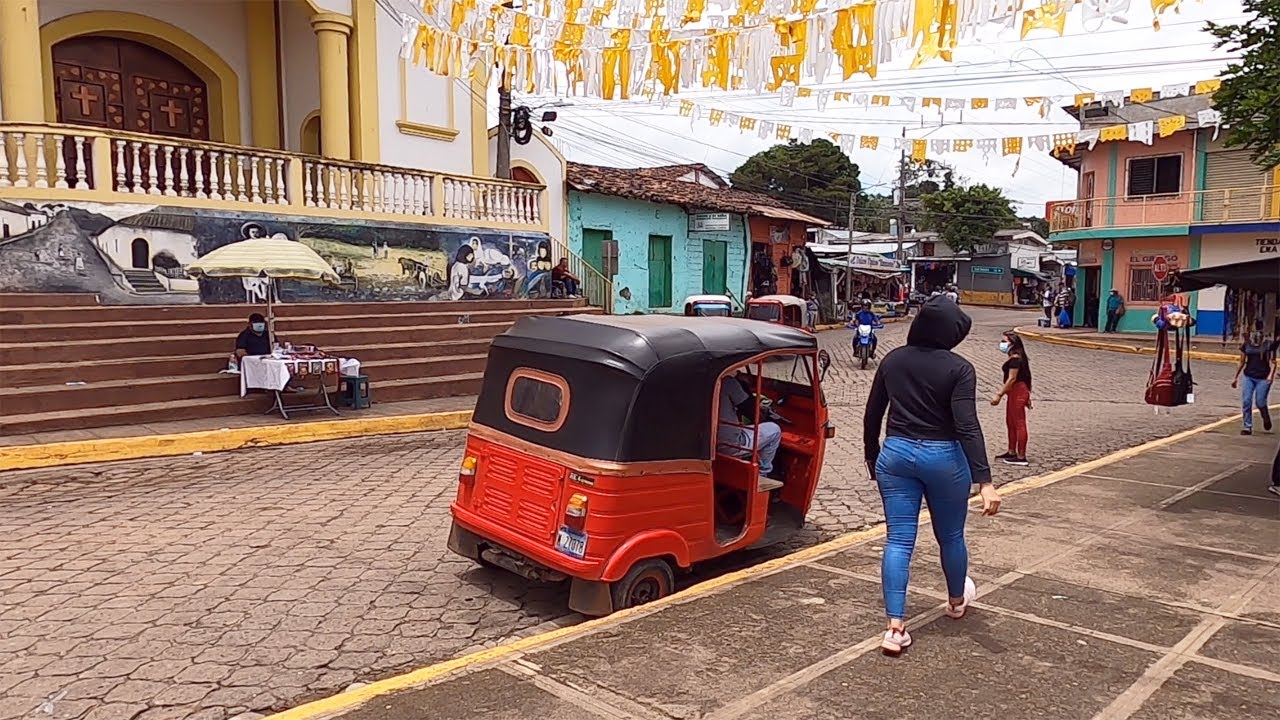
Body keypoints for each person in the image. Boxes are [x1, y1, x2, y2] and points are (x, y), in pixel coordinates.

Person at [863, 297, 1001, 656]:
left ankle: (894, 628)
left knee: (898, 541)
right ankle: (956, 602)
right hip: (944, 458)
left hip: (895, 455)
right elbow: (966, 425)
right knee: (951, 536)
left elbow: (872, 415)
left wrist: (872, 459)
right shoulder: (959, 368)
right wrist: (985, 481)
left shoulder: (893, 360)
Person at [717, 372, 783, 492]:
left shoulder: (700, 381)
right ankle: (762, 475)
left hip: (707, 442)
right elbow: (752, 412)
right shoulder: (727, 382)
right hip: (728, 445)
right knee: (774, 430)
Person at [992, 332, 1033, 466]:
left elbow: (1012, 379)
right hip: (1016, 392)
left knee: (1018, 423)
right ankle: (1011, 451)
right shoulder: (1016, 357)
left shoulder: (1015, 359)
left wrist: (999, 394)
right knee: (1010, 422)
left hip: (1017, 391)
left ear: (1012, 343)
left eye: (1004, 341)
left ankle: (1021, 456)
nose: (1002, 344)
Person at [1232, 330, 1276, 436]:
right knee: (1246, 401)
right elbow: (1241, 362)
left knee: (1260, 402)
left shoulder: (1268, 346)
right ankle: (1247, 426)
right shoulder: (1246, 346)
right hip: (1249, 377)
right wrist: (1235, 377)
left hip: (1263, 378)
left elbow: (1273, 362)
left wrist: (1271, 375)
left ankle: (1265, 416)